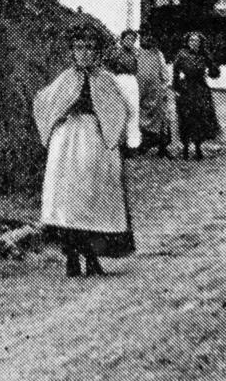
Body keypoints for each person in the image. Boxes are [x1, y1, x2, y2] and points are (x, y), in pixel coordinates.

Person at [35, 25, 135, 277]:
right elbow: (44, 101)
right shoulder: (66, 78)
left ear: (97, 52)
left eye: (90, 48)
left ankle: (91, 257)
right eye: (79, 48)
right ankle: (71, 256)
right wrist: (59, 114)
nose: (84, 53)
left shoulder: (106, 79)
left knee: (92, 198)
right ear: (72, 51)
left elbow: (122, 109)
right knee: (68, 199)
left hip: (96, 141)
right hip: (67, 140)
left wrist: (113, 128)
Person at [171, 31, 222, 159]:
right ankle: (186, 148)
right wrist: (177, 88)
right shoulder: (182, 55)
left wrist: (210, 63)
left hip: (200, 89)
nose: (194, 43)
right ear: (187, 42)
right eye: (192, 41)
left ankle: (198, 147)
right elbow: (175, 72)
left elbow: (215, 73)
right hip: (186, 89)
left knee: (200, 117)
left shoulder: (204, 55)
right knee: (186, 117)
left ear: (200, 43)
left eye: (197, 41)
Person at [132, 32, 174, 157]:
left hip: (156, 92)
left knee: (161, 119)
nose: (147, 40)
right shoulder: (137, 53)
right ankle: (141, 146)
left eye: (150, 38)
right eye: (145, 38)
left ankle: (162, 148)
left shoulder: (158, 54)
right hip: (140, 92)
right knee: (140, 119)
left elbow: (165, 74)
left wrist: (163, 87)